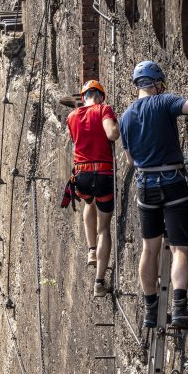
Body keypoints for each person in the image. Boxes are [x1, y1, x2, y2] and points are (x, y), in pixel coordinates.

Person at [118, 61, 188, 328]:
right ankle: (179, 308)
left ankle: (150, 310)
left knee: (150, 248)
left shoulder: (125, 118)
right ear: (157, 82)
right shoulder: (164, 101)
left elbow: (130, 160)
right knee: (180, 247)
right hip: (172, 181)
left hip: (145, 185)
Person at [66, 80, 119, 297]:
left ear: (84, 96)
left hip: (82, 175)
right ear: (99, 96)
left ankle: (91, 250)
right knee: (104, 228)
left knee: (89, 202)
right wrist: (117, 124)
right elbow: (112, 134)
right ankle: (99, 281)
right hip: (103, 173)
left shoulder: (71, 117)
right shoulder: (103, 109)